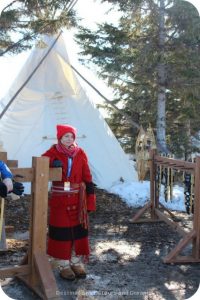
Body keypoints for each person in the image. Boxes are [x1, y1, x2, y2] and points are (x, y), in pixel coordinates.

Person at [42, 124, 96, 281]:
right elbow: (41, 162)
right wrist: (52, 163)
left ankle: (76, 261)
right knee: (62, 234)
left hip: (78, 200)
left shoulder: (80, 153)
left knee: (78, 233)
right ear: (60, 138)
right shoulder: (53, 152)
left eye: (71, 136)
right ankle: (64, 264)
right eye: (66, 136)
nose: (69, 139)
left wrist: (90, 201)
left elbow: (87, 176)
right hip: (60, 201)